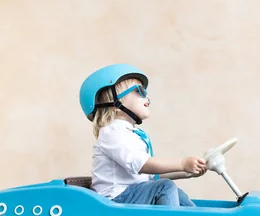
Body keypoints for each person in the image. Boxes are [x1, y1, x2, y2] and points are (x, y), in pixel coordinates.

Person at [79, 63, 207, 206]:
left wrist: (187, 171)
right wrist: (182, 163)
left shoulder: (130, 134)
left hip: (131, 195)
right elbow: (142, 165)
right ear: (115, 104)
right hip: (114, 200)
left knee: (176, 192)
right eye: (139, 91)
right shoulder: (112, 132)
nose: (147, 98)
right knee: (164, 187)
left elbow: (150, 175)